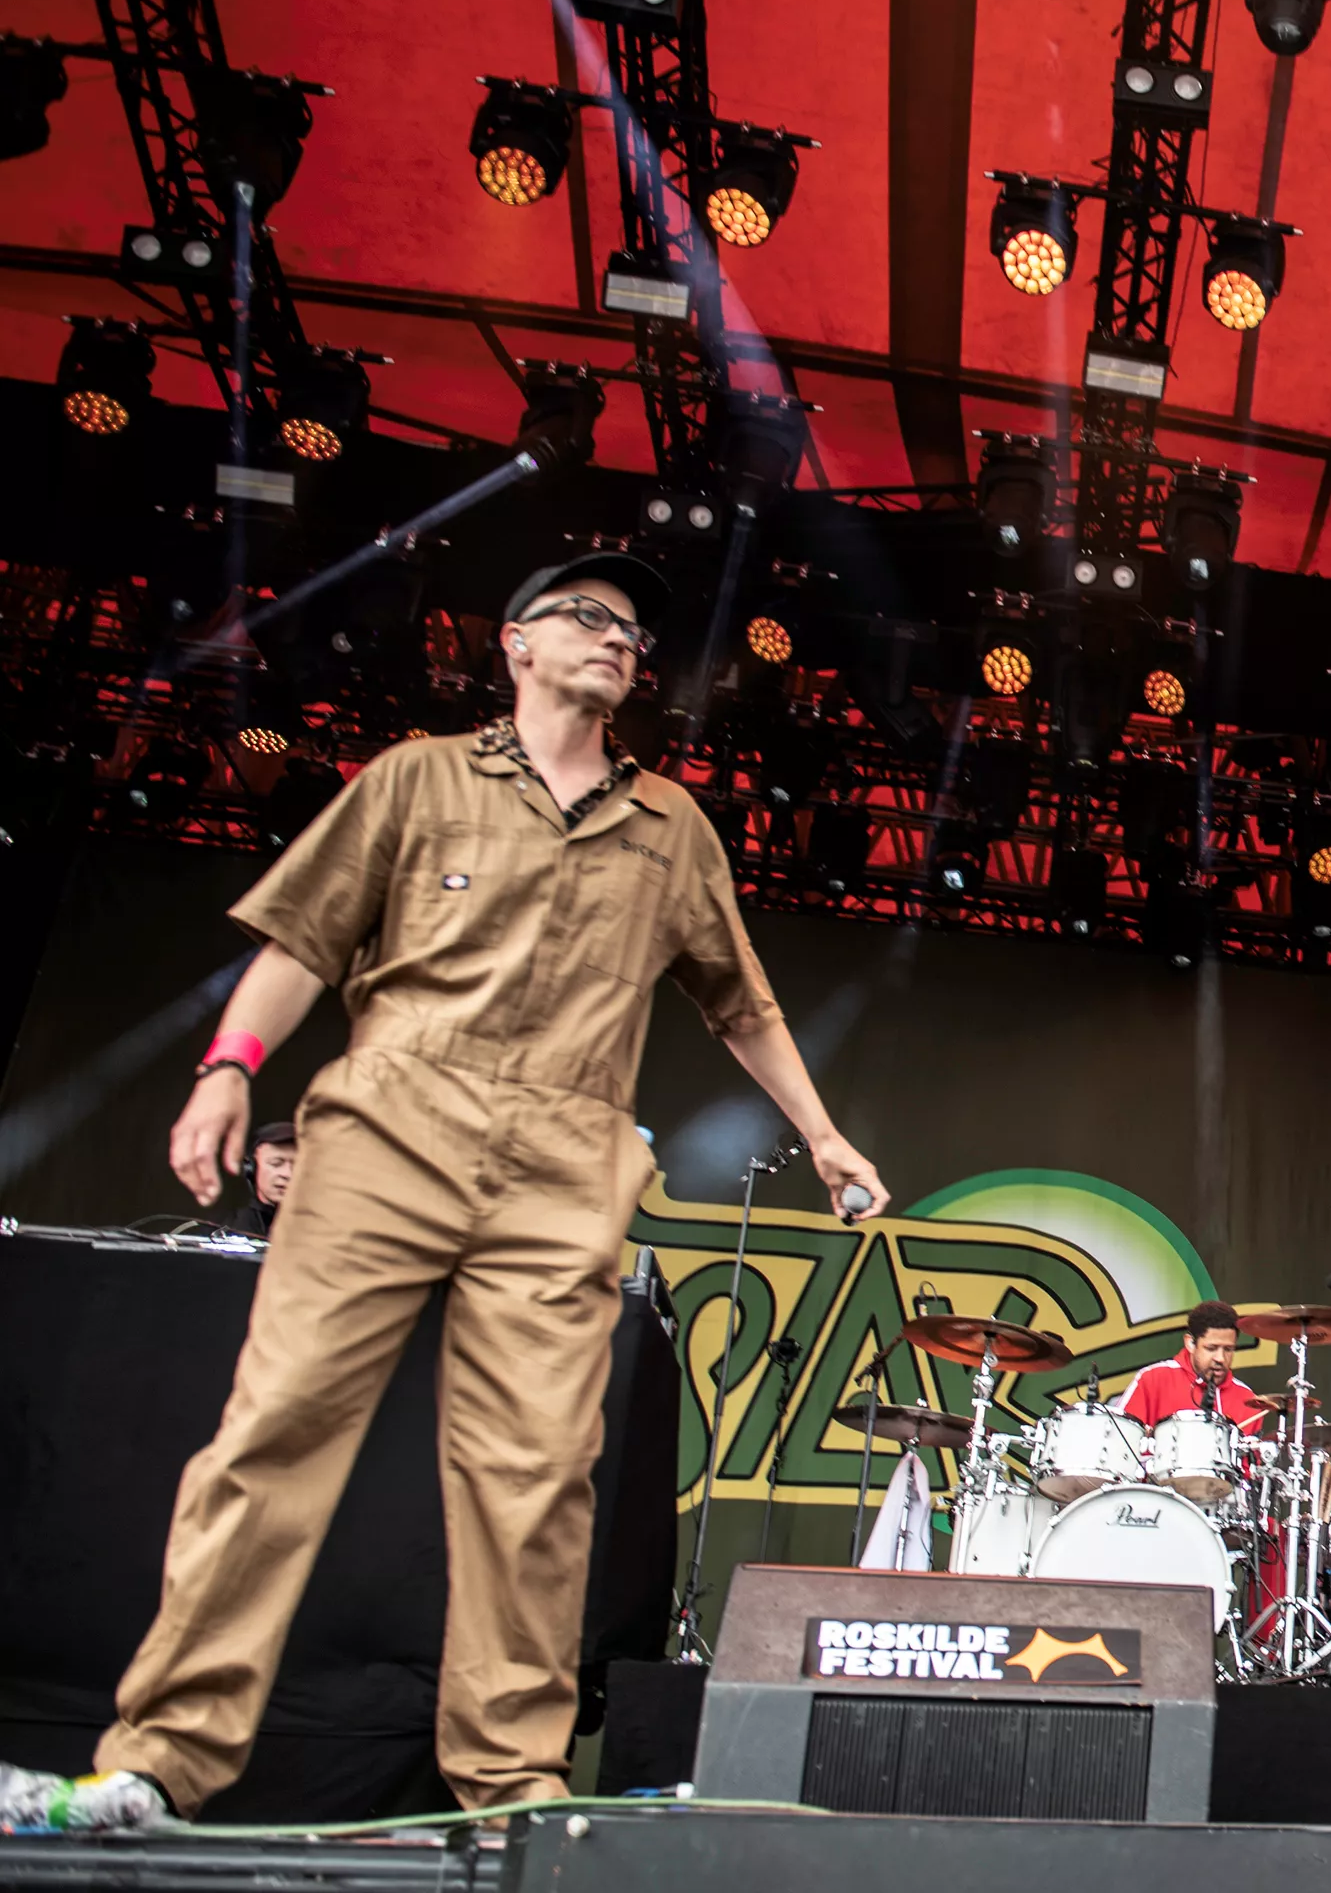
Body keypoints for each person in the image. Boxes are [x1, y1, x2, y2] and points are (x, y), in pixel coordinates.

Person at [0, 557, 888, 1835]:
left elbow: (740, 998)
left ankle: (510, 1795)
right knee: (275, 1432)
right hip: (392, 1125)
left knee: (535, 1477)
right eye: (589, 616)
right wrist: (225, 1072)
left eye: (636, 631)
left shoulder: (671, 826)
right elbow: (303, 938)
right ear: (516, 643)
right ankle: (156, 1766)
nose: (619, 640)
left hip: (567, 1156)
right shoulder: (418, 775)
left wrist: (824, 1134)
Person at [1120, 1300, 1273, 1434]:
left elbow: (1249, 1466)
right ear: (1190, 1343)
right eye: (1211, 1348)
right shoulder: (1152, 1379)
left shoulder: (1247, 1400)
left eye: (1228, 1349)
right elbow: (1121, 1440)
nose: (1220, 1358)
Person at [222, 1121, 299, 1239]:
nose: (287, 1174)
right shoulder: (235, 1229)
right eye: (276, 1163)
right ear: (251, 1168)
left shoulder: (325, 1228)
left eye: (297, 1166)